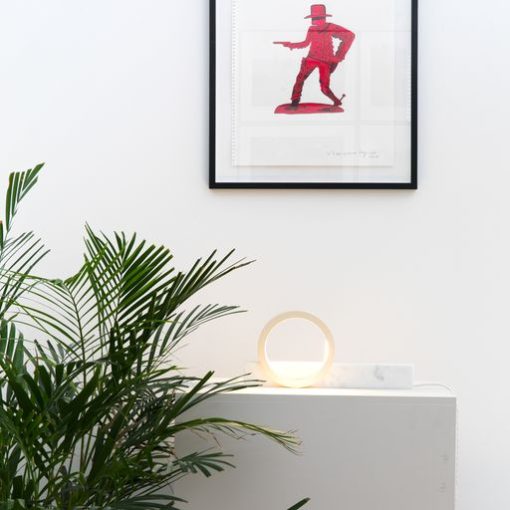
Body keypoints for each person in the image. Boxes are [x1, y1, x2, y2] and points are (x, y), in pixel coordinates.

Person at [274, 4, 355, 107]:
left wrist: (339, 56)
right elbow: (305, 43)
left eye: (318, 18)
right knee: (300, 79)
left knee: (324, 87)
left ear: (323, 17)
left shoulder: (331, 27)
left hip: (325, 61)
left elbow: (350, 36)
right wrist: (291, 45)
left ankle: (337, 101)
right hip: (311, 58)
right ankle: (295, 101)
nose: (316, 20)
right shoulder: (312, 29)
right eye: (314, 18)